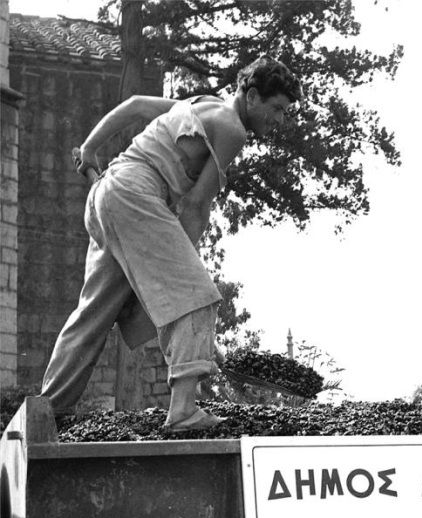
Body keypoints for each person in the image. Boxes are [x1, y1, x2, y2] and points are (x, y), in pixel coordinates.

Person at [40, 55, 302, 431]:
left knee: (93, 313)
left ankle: (48, 411)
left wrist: (89, 149)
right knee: (197, 294)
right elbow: (196, 205)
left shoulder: (203, 104)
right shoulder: (232, 128)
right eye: (277, 108)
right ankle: (182, 411)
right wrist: (187, 276)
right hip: (136, 195)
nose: (279, 120)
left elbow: (135, 107)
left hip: (107, 193)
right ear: (253, 95)